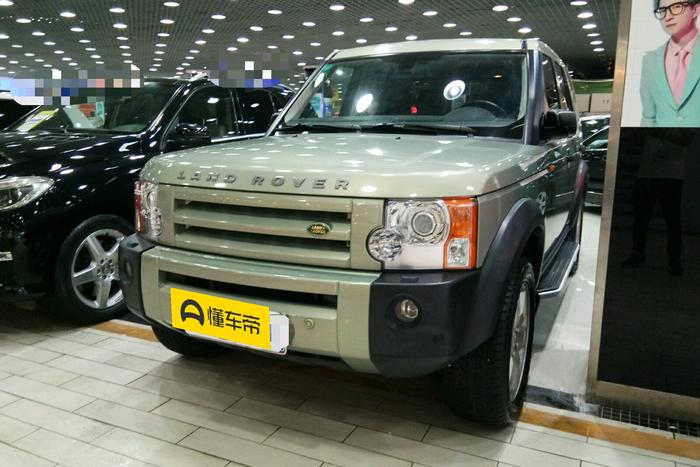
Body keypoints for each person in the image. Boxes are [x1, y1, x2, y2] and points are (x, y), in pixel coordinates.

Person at [641, 0, 700, 127]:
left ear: (695, 10)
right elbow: (648, 117)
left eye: (677, 7)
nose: (667, 17)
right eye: (662, 10)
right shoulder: (650, 61)